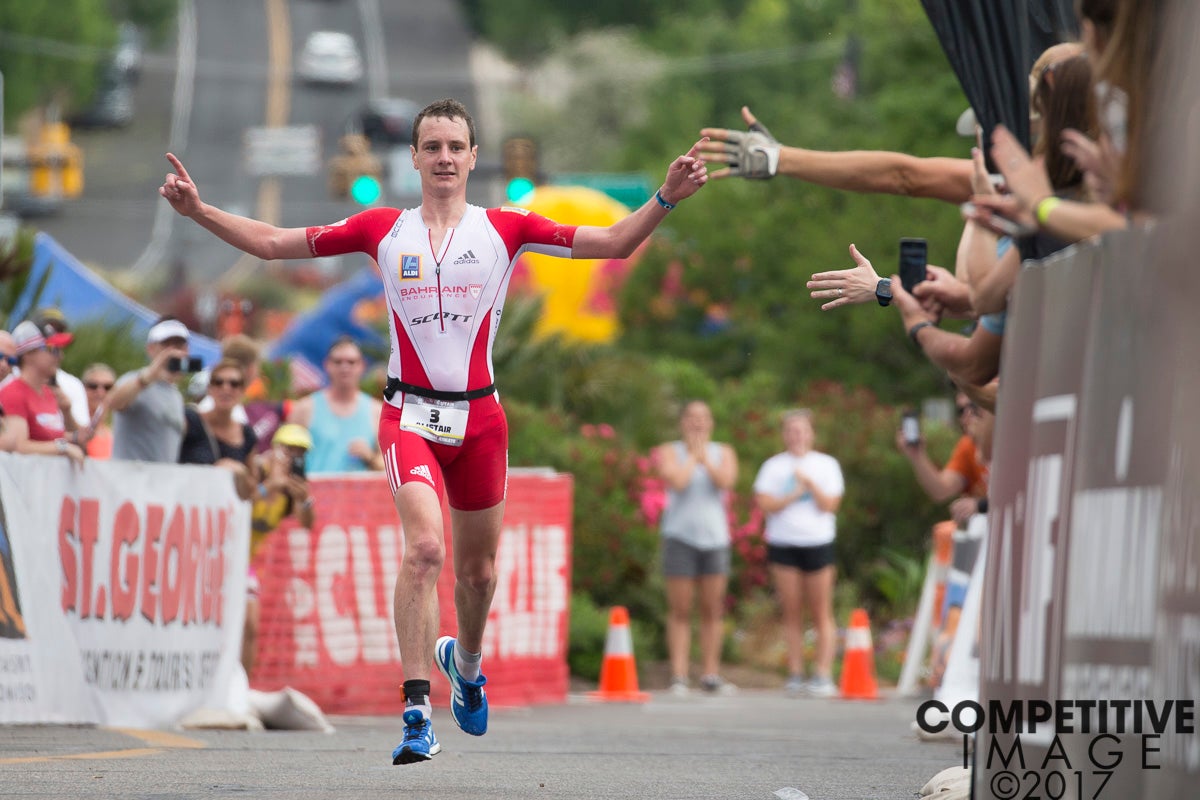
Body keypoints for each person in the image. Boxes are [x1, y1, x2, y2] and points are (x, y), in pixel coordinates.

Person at [157, 96, 708, 764]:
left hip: (481, 419)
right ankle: (416, 709)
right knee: (425, 550)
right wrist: (198, 211)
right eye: (432, 147)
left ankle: (464, 664)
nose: (444, 158)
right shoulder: (382, 229)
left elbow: (614, 243)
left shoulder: (505, 227)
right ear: (414, 158)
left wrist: (666, 198)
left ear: (473, 157)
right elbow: (276, 245)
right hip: (407, 416)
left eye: (456, 147)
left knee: (477, 574)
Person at [696, 43, 1083, 204]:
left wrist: (778, 159)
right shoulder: (1126, 175)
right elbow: (903, 174)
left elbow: (903, 176)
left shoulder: (1028, 188)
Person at [752, 409, 844, 697]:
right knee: (791, 610)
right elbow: (766, 504)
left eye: (802, 430)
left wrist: (810, 484)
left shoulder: (826, 465)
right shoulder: (773, 467)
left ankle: (822, 672)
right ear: (784, 435)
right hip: (784, 543)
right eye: (791, 431)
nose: (797, 436)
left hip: (817, 542)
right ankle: (795, 671)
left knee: (821, 610)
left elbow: (830, 504)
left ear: (811, 433)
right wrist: (793, 492)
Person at [652, 400, 738, 697]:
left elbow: (725, 481)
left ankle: (711, 673)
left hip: (715, 539)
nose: (697, 423)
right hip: (680, 538)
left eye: (703, 418)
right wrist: (692, 456)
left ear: (711, 422)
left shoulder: (723, 452)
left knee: (712, 609)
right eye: (691, 417)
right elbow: (676, 481)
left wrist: (706, 459)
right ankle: (679, 674)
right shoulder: (669, 451)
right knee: (680, 609)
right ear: (682, 422)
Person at [244, 423, 316, 676]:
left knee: (251, 626)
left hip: (245, 563)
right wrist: (270, 486)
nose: (293, 458)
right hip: (222, 555)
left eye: (300, 453)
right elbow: (240, 503)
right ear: (274, 449)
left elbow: (307, 524)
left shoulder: (289, 489)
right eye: (289, 450)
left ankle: (242, 688)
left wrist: (303, 499)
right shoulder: (254, 470)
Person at [286, 337, 385, 474]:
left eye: (351, 362)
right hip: (314, 494)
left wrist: (370, 457)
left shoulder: (377, 411)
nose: (345, 367)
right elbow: (285, 459)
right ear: (327, 365)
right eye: (338, 362)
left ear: (362, 366)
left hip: (361, 494)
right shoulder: (304, 409)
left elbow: (390, 465)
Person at [896, 393, 989, 528]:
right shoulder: (967, 446)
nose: (967, 415)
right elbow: (941, 490)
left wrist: (980, 506)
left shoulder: (1014, 442)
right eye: (961, 411)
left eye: (974, 407)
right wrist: (917, 456)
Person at [108, 317, 192, 463]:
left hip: (161, 480)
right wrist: (146, 379)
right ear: (151, 349)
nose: (174, 352)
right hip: (129, 479)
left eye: (179, 345)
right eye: (167, 345)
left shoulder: (175, 394)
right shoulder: (134, 379)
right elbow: (113, 403)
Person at [0, 322, 85, 465]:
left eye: (10, 360)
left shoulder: (50, 392)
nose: (59, 356)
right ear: (28, 354)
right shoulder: (14, 392)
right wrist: (62, 447)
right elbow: (17, 446)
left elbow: (46, 434)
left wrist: (73, 436)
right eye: (53, 349)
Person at [178, 358, 258, 501]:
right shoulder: (190, 420)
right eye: (218, 382)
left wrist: (240, 472)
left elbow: (253, 490)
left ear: (242, 391)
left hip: (223, 516)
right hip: (188, 506)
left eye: (234, 384)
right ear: (210, 389)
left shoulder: (247, 434)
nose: (226, 389)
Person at [30, 308, 89, 430]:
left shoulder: (73, 384)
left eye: (59, 331)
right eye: (48, 330)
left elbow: (82, 438)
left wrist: (66, 411)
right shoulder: (12, 373)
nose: (54, 336)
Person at [81, 363, 117, 459]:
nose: (100, 392)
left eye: (107, 387)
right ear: (83, 388)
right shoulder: (73, 426)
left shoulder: (115, 434)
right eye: (93, 386)